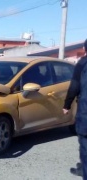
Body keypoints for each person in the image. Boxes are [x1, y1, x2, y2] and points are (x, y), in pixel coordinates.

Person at [63, 39, 87, 179]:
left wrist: (66, 105)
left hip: (85, 114)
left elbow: (74, 87)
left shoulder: (82, 64)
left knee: (85, 147)